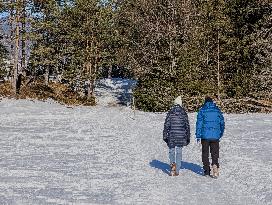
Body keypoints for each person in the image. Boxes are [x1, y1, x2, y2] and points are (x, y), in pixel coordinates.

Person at [196, 96, 225, 178]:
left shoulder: (202, 110)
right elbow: (222, 123)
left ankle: (207, 170)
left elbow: (199, 124)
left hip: (205, 136)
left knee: (205, 153)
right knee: (215, 153)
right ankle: (215, 166)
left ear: (205, 102)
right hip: (215, 135)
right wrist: (220, 133)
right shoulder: (217, 110)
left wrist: (198, 135)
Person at [163, 96, 190, 176]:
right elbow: (187, 126)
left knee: (171, 151)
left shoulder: (170, 112)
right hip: (181, 136)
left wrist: (165, 135)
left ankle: (172, 165)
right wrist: (188, 137)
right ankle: (177, 170)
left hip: (172, 135)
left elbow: (166, 125)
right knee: (179, 152)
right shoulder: (184, 113)